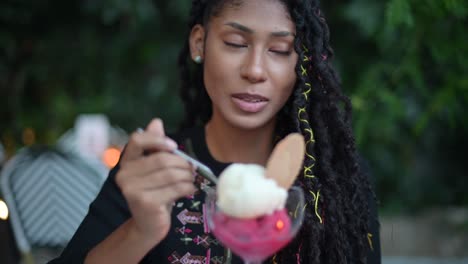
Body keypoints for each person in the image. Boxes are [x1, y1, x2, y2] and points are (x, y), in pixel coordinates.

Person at [49, 0, 381, 263]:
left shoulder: (335, 181)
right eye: (236, 43)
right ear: (199, 43)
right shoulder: (158, 168)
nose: (254, 70)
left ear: (302, 63)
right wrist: (141, 230)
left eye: (279, 50)